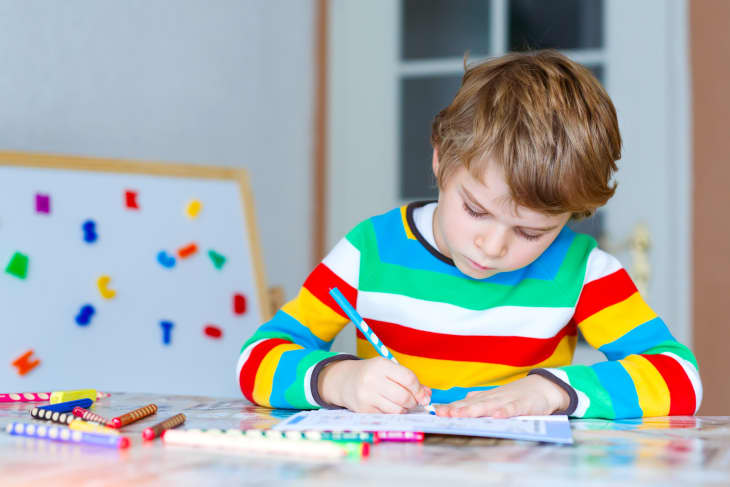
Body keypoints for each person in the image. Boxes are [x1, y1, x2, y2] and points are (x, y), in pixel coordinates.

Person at [237, 50, 702, 419]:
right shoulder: (370, 251)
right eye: (476, 210)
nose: (494, 246)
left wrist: (550, 391)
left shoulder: (581, 270)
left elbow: (679, 377)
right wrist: (337, 382)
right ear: (441, 159)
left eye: (531, 231)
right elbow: (256, 358)